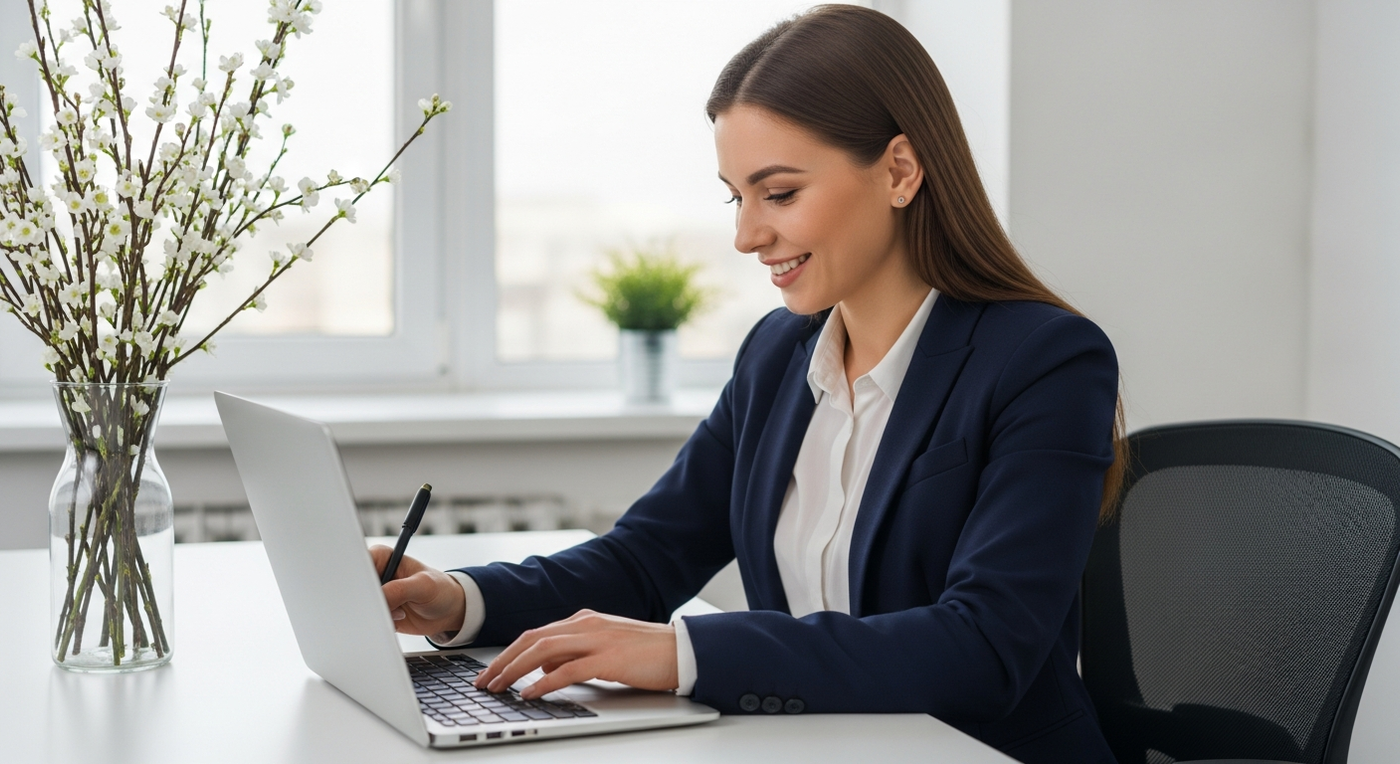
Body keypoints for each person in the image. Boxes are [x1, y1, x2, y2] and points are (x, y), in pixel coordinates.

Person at [370, 6, 1124, 763]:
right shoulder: (777, 354)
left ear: (899, 171)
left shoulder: (1046, 361)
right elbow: (646, 557)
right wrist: (459, 598)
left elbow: (986, 645)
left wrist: (682, 653)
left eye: (780, 193)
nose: (746, 236)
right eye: (737, 197)